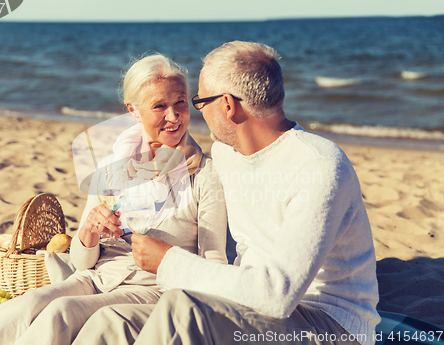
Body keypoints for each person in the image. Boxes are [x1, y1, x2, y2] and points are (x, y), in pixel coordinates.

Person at [73, 41, 381, 345]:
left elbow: (278, 295)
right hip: (248, 306)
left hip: (326, 324)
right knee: (112, 321)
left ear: (227, 105)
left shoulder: (319, 165)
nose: (194, 113)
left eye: (198, 102)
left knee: (180, 309)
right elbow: (188, 155)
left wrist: (167, 261)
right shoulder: (226, 155)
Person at [0, 54, 228, 345]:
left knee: (61, 311)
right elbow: (81, 262)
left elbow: (213, 262)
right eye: (159, 106)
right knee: (24, 307)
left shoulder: (204, 174)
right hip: (97, 277)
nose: (173, 116)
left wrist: (165, 259)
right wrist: (88, 232)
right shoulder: (114, 166)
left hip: (154, 287)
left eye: (181, 102)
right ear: (133, 111)